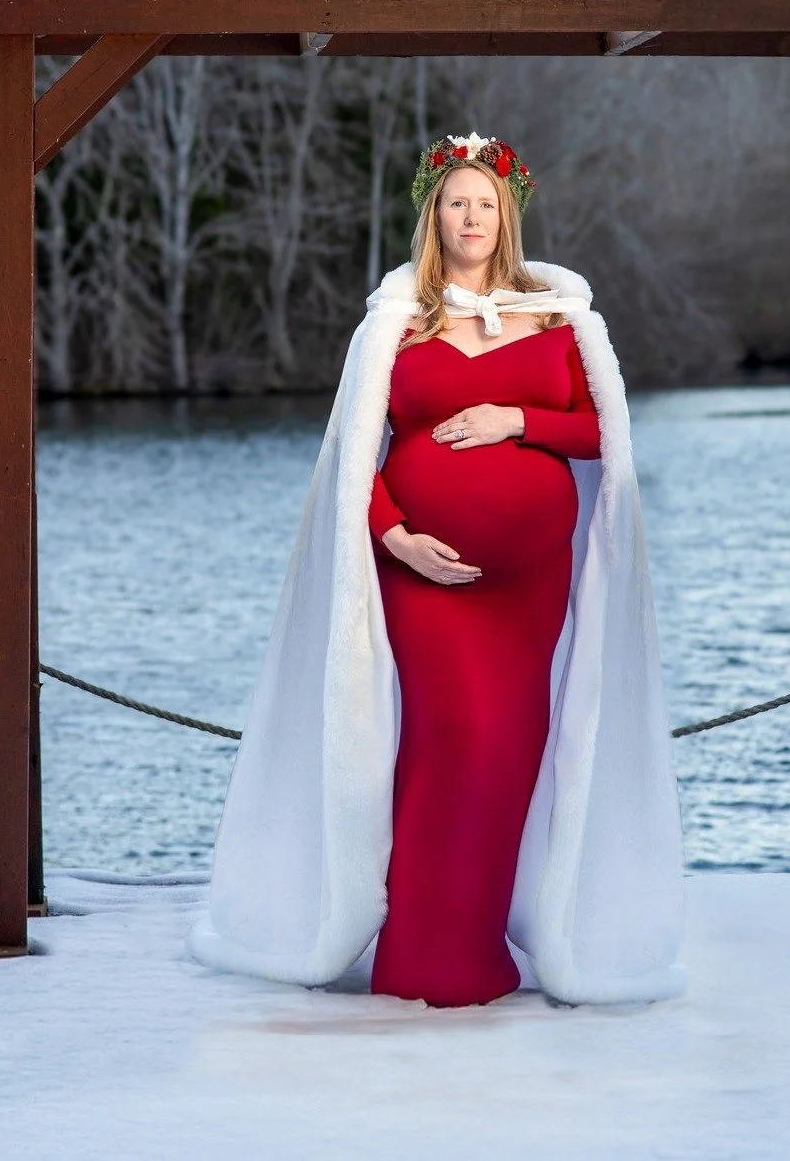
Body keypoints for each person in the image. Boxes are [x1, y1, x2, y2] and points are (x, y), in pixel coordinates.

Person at [188, 132, 687, 1008]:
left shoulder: (559, 318)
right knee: (444, 740)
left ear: (508, 217)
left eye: (486, 202)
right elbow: (355, 459)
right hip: (423, 579)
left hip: (526, 593)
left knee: (510, 747)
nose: (472, 216)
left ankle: (481, 948)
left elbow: (601, 433)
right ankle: (421, 958)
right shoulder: (395, 324)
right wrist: (395, 538)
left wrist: (514, 419)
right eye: (457, 201)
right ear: (434, 214)